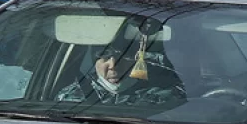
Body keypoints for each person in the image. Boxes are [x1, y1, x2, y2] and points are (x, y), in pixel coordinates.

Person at [56, 42, 185, 106]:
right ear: (94, 62)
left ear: (135, 60)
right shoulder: (69, 98)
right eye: (105, 58)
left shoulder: (165, 95)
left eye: (121, 58)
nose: (113, 66)